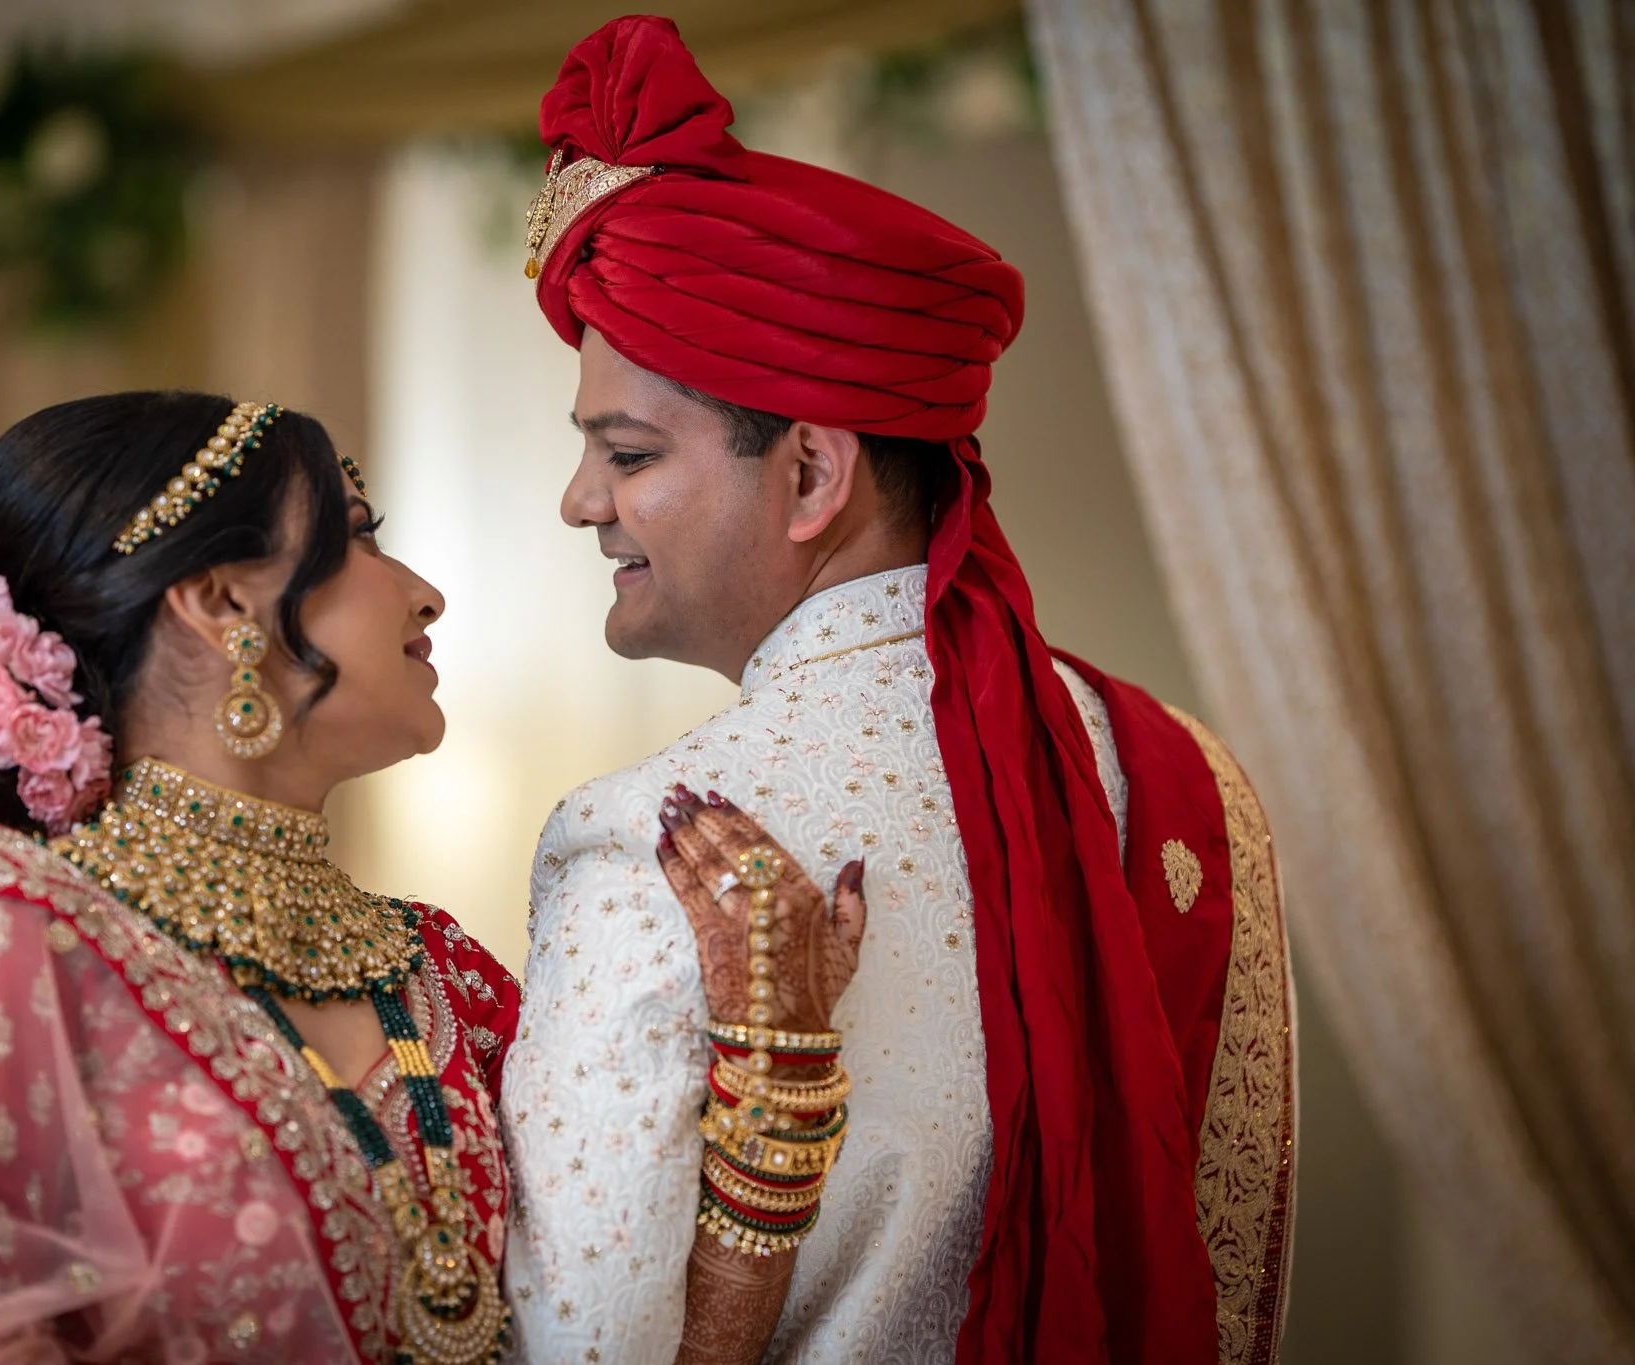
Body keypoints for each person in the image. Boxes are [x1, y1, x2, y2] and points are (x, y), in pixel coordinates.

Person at [0, 391, 866, 1364]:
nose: (423, 593)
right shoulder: (9, 951)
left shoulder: (440, 977)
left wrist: (775, 1069)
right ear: (220, 600)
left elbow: (606, 1340)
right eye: (362, 537)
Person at [501, 16, 1297, 1365]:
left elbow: (579, 1347)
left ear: (812, 475)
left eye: (626, 453)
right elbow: (1224, 1283)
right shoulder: (1179, 773)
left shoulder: (655, 843)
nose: (581, 501)